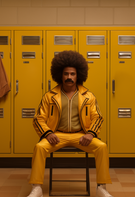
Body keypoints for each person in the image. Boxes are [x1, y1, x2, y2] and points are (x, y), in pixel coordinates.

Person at [27, 51, 113, 197]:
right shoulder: (49, 96)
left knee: (102, 147)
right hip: (57, 135)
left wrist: (90, 134)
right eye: (66, 74)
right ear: (60, 75)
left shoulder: (88, 96)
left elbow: (98, 117)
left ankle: (101, 188)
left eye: (72, 74)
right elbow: (38, 118)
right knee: (39, 147)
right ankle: (37, 188)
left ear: (78, 75)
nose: (69, 77)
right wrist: (48, 133)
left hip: (81, 135)